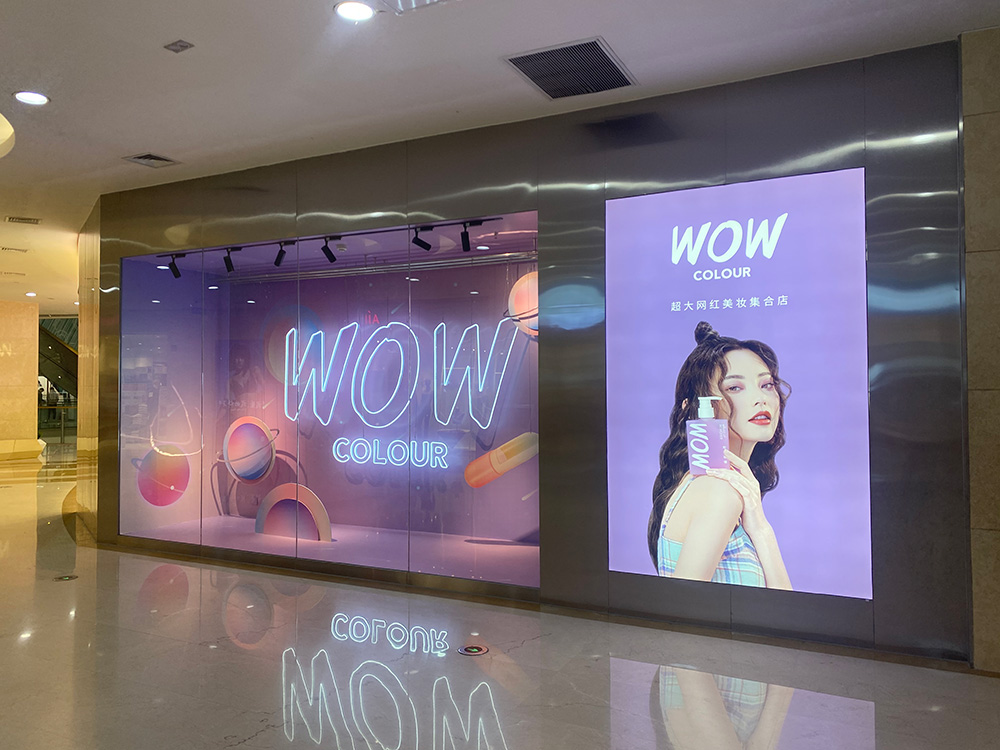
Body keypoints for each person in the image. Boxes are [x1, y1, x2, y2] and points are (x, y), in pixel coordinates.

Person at [648, 322, 792, 589]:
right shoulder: (718, 490)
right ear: (694, 407)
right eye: (734, 387)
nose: (761, 399)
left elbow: (785, 605)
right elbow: (682, 603)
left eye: (767, 384)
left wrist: (760, 527)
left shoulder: (717, 485)